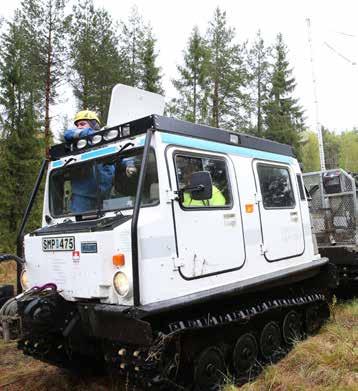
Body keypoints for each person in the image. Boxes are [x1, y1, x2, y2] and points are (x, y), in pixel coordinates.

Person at [64, 110, 114, 213]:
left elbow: (119, 157)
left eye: (82, 124)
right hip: (82, 199)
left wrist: (129, 165)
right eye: (77, 125)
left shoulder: (104, 145)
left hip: (105, 199)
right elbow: (68, 134)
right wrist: (93, 133)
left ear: (94, 125)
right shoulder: (77, 145)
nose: (79, 127)